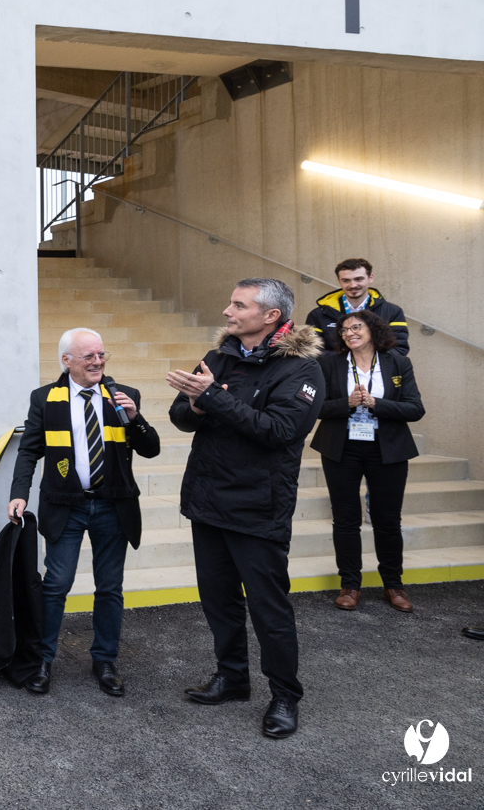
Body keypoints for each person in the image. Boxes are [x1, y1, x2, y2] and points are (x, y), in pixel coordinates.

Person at [167, 278, 323, 740]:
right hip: (208, 500)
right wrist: (195, 404)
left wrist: (212, 397)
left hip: (258, 508)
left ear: (271, 315)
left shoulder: (302, 369)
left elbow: (276, 430)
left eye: (238, 305)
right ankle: (232, 678)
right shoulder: (219, 357)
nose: (227, 312)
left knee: (268, 609)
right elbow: (180, 417)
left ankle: (284, 696)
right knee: (218, 600)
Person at [7, 327, 160, 697]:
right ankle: (43, 660)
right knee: (56, 585)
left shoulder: (125, 396)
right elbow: (29, 450)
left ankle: (105, 661)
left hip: (113, 505)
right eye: (89, 356)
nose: (98, 362)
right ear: (67, 361)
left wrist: (134, 416)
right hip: (66, 506)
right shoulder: (44, 398)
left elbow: (151, 448)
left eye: (101, 355)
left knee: (109, 588)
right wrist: (19, 493)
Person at [310, 310, 424, 613]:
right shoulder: (328, 363)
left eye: (356, 327)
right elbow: (315, 407)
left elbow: (415, 408)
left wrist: (378, 404)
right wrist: (345, 404)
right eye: (344, 330)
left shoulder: (399, 363)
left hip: (387, 449)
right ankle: (350, 586)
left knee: (388, 521)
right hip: (341, 448)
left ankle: (393, 586)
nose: (349, 333)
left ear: (373, 330)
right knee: (345, 520)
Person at [304, 258, 410, 355]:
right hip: (335, 374)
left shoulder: (393, 312)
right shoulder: (317, 315)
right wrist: (349, 363)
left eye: (359, 279)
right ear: (338, 280)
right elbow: (313, 351)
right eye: (346, 280)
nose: (353, 285)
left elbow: (400, 348)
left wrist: (368, 363)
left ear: (370, 278)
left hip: (379, 373)